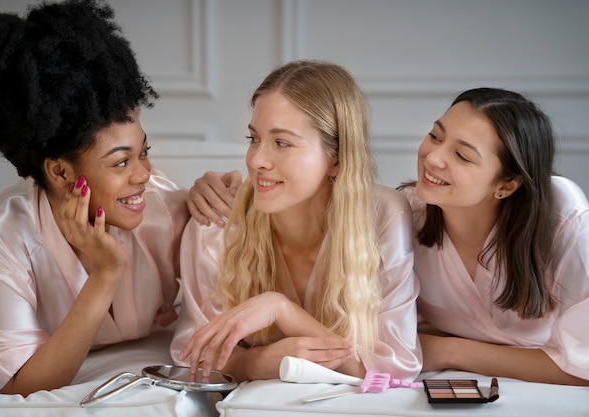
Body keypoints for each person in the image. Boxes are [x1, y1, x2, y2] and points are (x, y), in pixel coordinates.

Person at [189, 87, 589, 386]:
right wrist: (206, 189)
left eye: (463, 155)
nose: (433, 157)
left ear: (507, 184)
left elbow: (583, 369)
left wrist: (450, 350)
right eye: (436, 135)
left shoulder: (562, 219)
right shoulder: (405, 215)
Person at [0, 0, 188, 395]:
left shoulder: (167, 208)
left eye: (144, 152)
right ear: (62, 172)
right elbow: (17, 386)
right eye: (121, 163)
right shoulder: (7, 227)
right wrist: (105, 272)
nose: (144, 175)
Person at [170, 60, 422, 382]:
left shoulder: (383, 216)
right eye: (253, 139)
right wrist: (254, 363)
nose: (257, 160)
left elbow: (397, 369)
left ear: (337, 158)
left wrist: (282, 310)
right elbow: (190, 358)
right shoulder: (216, 226)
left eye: (282, 143)